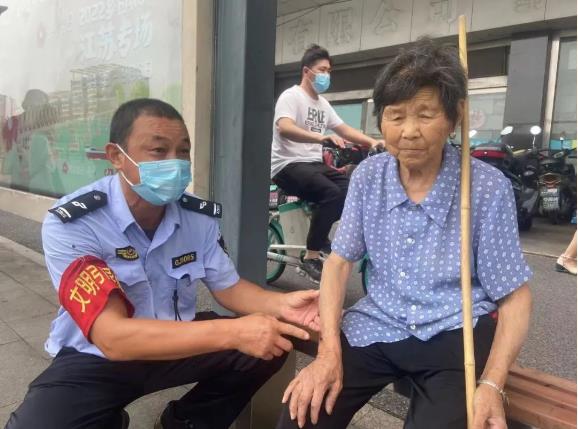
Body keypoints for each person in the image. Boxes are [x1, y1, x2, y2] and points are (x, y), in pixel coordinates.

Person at [6, 98, 320, 429]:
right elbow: (112, 336)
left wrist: (282, 304)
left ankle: (184, 422)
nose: (176, 163)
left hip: (177, 340)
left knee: (268, 345)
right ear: (116, 156)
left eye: (183, 151)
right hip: (97, 356)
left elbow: (229, 288)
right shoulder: (75, 223)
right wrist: (233, 331)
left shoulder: (197, 216)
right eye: (159, 150)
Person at [276, 39, 533, 429]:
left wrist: (492, 384)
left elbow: (514, 297)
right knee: (303, 414)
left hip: (454, 330)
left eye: (426, 115)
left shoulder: (485, 187)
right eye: (396, 116)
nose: (409, 132)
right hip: (379, 322)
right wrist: (328, 353)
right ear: (381, 121)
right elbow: (339, 264)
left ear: (455, 117)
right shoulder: (368, 177)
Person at [270, 44, 382, 281]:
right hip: (287, 165)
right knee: (331, 193)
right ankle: (310, 257)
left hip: (312, 165)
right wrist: (321, 138)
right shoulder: (291, 96)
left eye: (329, 71)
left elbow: (345, 129)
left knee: (351, 190)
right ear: (306, 71)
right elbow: (285, 128)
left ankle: (319, 235)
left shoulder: (323, 104)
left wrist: (372, 142)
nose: (326, 75)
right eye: (322, 70)